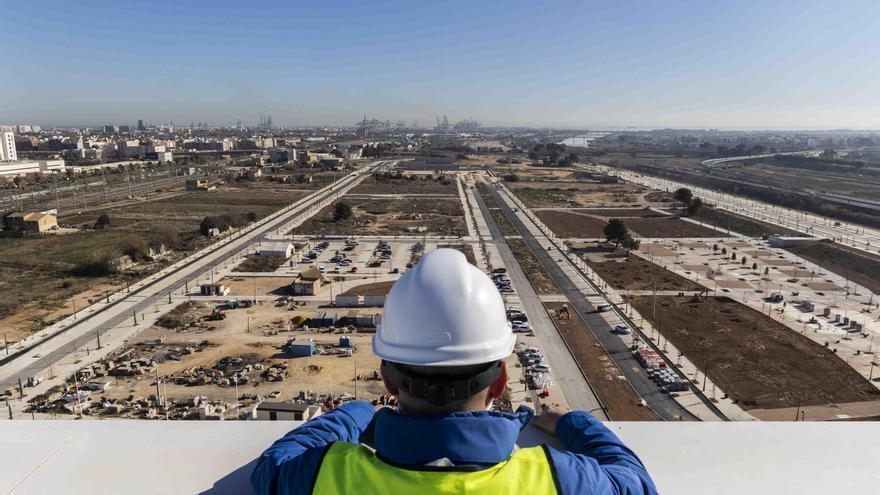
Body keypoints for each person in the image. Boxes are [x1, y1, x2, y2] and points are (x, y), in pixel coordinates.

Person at [251, 249, 658, 495]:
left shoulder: (327, 474)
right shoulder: (556, 479)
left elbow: (273, 467)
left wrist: (356, 414)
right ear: (499, 381)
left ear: (389, 381)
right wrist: (572, 422)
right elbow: (635, 483)